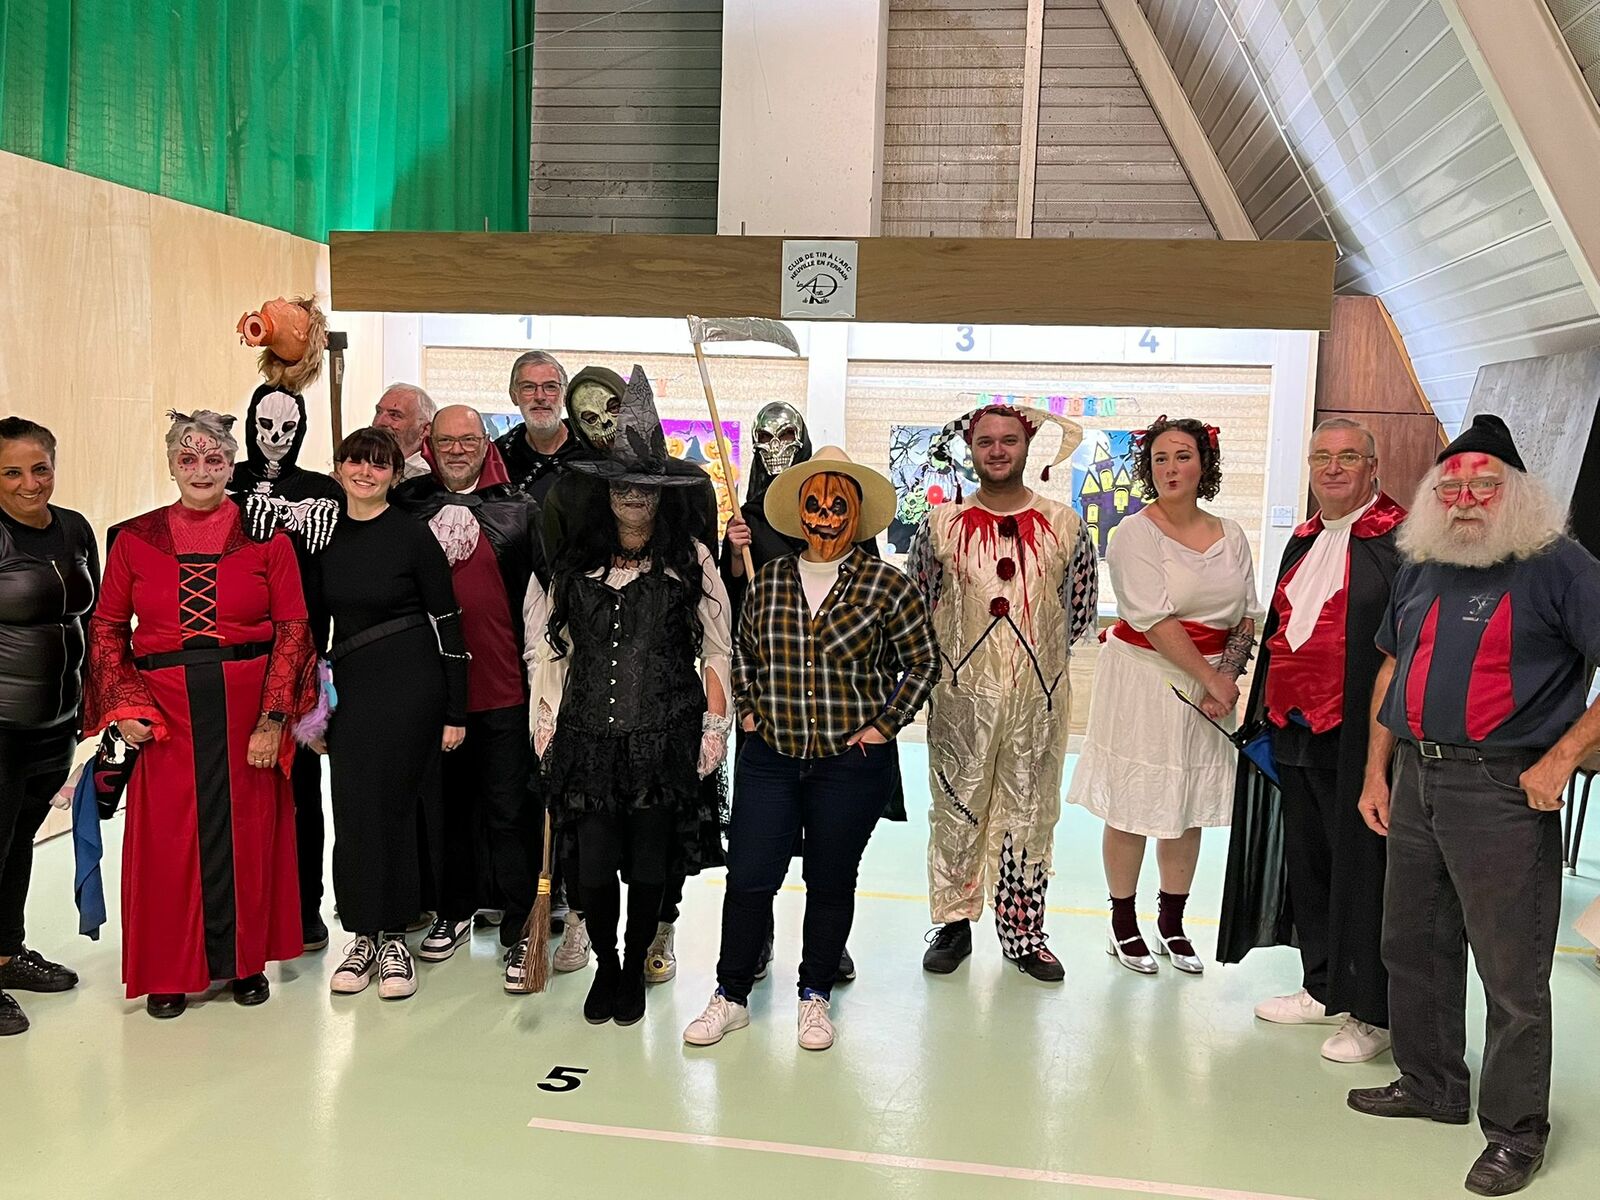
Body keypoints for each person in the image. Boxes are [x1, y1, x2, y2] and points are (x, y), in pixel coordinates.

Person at [1348, 415, 1600, 1198]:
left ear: (1516, 491)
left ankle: (1516, 1133)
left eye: (1484, 484)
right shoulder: (1423, 563)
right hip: (1416, 779)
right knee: (1412, 943)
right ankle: (1431, 1085)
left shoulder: (1562, 567)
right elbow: (1393, 671)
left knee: (1510, 972)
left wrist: (1560, 757)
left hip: (1502, 789)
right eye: (1452, 484)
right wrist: (1376, 773)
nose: (1465, 498)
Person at [684, 447, 939, 1053]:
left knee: (830, 880)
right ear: (799, 513)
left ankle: (815, 994)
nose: (825, 517)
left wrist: (884, 727)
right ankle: (731, 995)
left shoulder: (887, 585)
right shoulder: (769, 579)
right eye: (815, 506)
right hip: (770, 757)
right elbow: (744, 652)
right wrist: (748, 710)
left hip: (848, 763)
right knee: (750, 877)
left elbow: (924, 662)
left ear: (856, 514)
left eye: (837, 507)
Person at [83, 410, 316, 1018]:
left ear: (232, 464)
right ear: (171, 465)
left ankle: (245, 963)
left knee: (250, 835)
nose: (202, 470)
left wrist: (273, 718)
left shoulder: (268, 537)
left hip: (246, 714)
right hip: (165, 715)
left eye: (214, 459)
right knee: (169, 841)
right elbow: (106, 628)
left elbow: (294, 627)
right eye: (188, 459)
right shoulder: (134, 539)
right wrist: (124, 705)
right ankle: (169, 970)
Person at [525, 367, 732, 1028]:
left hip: (662, 737)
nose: (633, 495)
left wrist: (714, 726)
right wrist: (544, 720)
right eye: (622, 484)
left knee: (648, 866)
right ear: (606, 490)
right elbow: (550, 652)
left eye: (644, 485)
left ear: (661, 493)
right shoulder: (573, 564)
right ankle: (607, 965)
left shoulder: (691, 561)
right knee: (592, 869)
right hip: (587, 737)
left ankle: (637, 960)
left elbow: (718, 649)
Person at [1218, 419, 1405, 1064]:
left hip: (1361, 737)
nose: (1333, 467)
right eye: (1321, 456)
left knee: (1365, 870)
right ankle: (1324, 985)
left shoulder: (1400, 541)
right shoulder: (1302, 540)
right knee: (1311, 862)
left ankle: (1373, 1011)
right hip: (1295, 729)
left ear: (1372, 467)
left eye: (1348, 456)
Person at [908, 403, 1099, 982]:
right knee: (956, 808)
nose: (997, 450)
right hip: (960, 698)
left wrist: (1038, 670)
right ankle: (954, 922)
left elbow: (1079, 608)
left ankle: (1022, 932)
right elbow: (918, 603)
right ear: (971, 449)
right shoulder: (939, 526)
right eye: (985, 441)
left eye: (1008, 440)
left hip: (1037, 701)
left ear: (1027, 445)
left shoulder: (1066, 525)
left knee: (1030, 812)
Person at [1066, 416, 1261, 977]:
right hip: (1146, 681)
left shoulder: (1232, 534)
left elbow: (1246, 614)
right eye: (1159, 459)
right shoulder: (1133, 533)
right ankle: (1122, 921)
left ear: (1204, 464)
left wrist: (1226, 678)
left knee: (1187, 804)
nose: (1170, 468)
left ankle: (1172, 922)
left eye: (1182, 456)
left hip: (1212, 685)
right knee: (1133, 802)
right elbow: (1154, 620)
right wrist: (1212, 679)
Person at [308, 427, 469, 1003]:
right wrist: (313, 713)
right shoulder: (323, 538)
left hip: (413, 688)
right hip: (351, 690)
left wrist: (455, 709)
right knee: (353, 812)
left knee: (400, 812)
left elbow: (448, 624)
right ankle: (363, 934)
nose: (365, 472)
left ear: (395, 476)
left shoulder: (412, 536)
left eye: (378, 465)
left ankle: (396, 936)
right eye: (355, 462)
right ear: (338, 468)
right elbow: (312, 633)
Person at [394, 406, 542, 991]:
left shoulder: (519, 511)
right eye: (446, 440)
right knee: (447, 811)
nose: (457, 450)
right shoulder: (409, 507)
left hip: (503, 688)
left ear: (486, 444)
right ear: (430, 445)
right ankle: (453, 910)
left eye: (468, 440)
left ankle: (519, 925)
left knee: (509, 811)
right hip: (433, 694)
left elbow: (543, 601)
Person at [227, 382, 343, 952]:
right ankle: (236, 907)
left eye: (287, 428)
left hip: (302, 657)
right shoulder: (224, 480)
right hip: (234, 654)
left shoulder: (321, 491)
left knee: (300, 788)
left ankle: (303, 906)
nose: (275, 438)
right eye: (265, 426)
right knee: (232, 784)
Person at [0, 418, 99, 1036]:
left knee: (17, 844)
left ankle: (5, 953)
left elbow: (95, 619)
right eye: (11, 472)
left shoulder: (74, 529)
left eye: (40, 468)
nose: (29, 483)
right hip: (1, 725)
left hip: (55, 722)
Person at [494, 350, 586, 503]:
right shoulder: (498, 457)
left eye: (550, 387)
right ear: (514, 396)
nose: (540, 396)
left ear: (564, 395)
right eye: (528, 387)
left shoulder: (590, 445)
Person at [371, 383, 436, 480]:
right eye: (378, 412)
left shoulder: (427, 478)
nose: (379, 422)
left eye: (395, 415)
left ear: (424, 430)